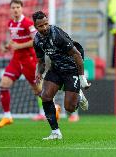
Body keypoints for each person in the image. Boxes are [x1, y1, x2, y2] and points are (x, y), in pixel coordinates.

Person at [33, 11, 90, 140]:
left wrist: (82, 78)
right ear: (36, 27)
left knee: (69, 108)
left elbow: (77, 54)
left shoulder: (57, 35)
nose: (45, 27)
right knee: (45, 96)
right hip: (56, 69)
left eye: (46, 24)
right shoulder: (37, 40)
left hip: (71, 69)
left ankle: (79, 95)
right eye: (41, 26)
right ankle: (55, 133)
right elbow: (41, 61)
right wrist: (39, 72)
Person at [0, 0, 46, 128]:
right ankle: (7, 116)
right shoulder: (10, 23)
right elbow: (13, 41)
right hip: (16, 60)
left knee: (38, 90)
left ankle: (50, 108)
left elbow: (36, 41)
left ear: (22, 8)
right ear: (10, 10)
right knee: (3, 84)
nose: (15, 10)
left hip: (29, 59)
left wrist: (19, 46)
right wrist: (7, 46)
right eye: (13, 8)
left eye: (18, 7)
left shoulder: (28, 23)